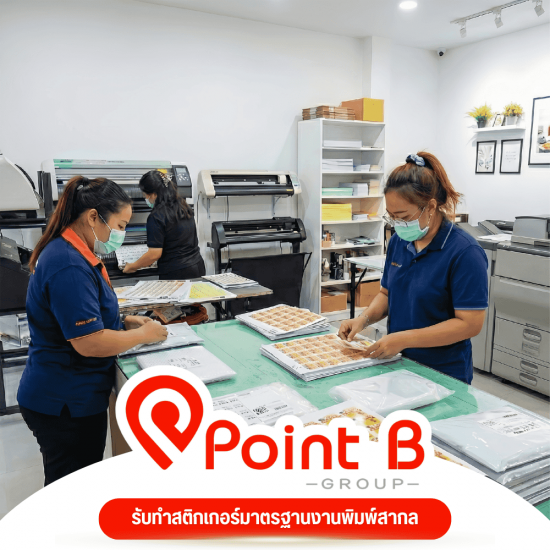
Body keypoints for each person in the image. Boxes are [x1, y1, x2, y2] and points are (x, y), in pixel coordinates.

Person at [17, 175, 168, 486]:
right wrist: (143, 336)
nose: (121, 234)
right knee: (71, 490)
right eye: (121, 226)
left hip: (71, 396)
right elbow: (88, 342)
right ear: (92, 217)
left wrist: (125, 323)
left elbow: (83, 317)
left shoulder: (76, 252)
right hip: (65, 404)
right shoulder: (69, 265)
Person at [339, 152, 488, 384]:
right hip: (397, 362)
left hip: (443, 373)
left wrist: (404, 339)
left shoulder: (464, 252)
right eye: (392, 217)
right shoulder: (399, 242)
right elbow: (387, 293)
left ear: (430, 207)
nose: (398, 224)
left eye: (404, 216)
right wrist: (363, 319)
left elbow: (470, 324)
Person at [123, 170, 205, 279]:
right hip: (197, 265)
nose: (146, 198)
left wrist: (133, 266)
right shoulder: (183, 206)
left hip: (176, 272)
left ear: (154, 194)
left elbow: (154, 254)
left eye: (145, 194)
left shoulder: (156, 216)